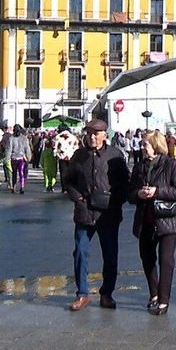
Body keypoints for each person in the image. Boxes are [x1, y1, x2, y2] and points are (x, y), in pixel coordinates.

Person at [63, 119, 129, 311]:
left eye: (96, 133)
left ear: (104, 135)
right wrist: (77, 197)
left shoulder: (114, 155)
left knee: (110, 254)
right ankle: (82, 294)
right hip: (85, 212)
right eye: (89, 133)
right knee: (80, 252)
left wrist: (115, 200)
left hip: (108, 213)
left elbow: (125, 183)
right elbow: (68, 180)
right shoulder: (79, 155)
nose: (92, 137)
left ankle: (107, 293)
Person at [128, 130, 176, 316]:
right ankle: (153, 293)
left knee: (166, 260)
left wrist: (157, 191)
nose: (141, 146)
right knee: (147, 259)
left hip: (167, 221)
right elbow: (130, 193)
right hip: (145, 220)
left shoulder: (170, 165)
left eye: (145, 144)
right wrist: (138, 194)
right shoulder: (139, 167)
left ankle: (163, 300)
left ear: (155, 145)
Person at [4, 124, 32, 194]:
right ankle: (21, 187)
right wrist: (28, 157)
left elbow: (9, 149)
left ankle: (14, 187)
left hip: (14, 158)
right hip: (21, 158)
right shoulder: (24, 138)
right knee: (21, 173)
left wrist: (7, 159)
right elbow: (27, 148)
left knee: (14, 173)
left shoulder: (11, 138)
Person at [54, 124, 80, 194]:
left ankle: (64, 188)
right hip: (72, 157)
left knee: (63, 173)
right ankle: (71, 187)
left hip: (62, 157)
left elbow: (55, 148)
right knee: (72, 172)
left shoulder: (58, 137)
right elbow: (76, 147)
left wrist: (57, 155)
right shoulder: (73, 137)